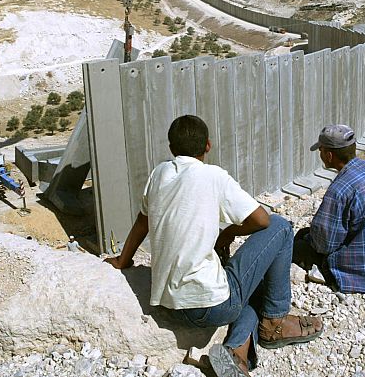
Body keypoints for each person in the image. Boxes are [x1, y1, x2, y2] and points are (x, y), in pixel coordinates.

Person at [106, 115, 322, 377]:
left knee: (250, 292)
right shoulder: (213, 176)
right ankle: (275, 320)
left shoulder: (159, 174)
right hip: (210, 305)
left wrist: (122, 261)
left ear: (171, 148)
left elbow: (142, 223)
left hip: (169, 303)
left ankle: (237, 355)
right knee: (282, 227)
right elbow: (262, 220)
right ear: (208, 145)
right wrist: (230, 231)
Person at [293, 124, 365, 295]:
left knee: (298, 244)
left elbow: (324, 244)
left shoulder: (340, 189)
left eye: (321, 150)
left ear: (329, 155)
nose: (320, 154)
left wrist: (307, 237)